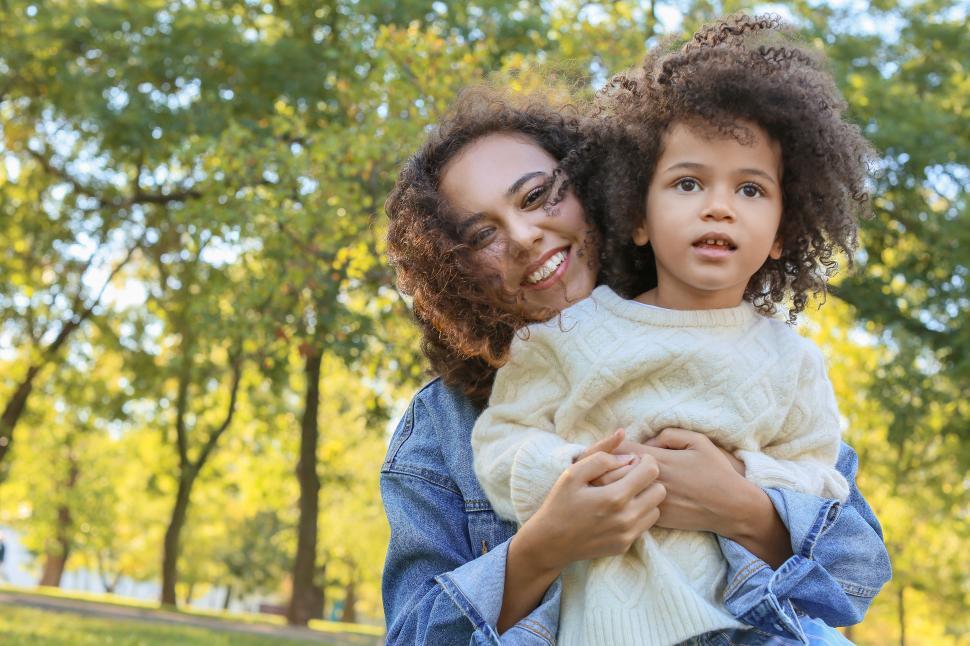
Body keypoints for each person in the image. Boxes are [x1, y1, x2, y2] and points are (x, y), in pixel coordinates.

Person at [381, 80, 890, 646]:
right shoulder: (441, 427)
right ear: (454, 271)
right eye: (482, 235)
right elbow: (414, 636)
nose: (524, 236)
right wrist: (543, 548)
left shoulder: (744, 351)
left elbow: (856, 573)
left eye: (535, 196)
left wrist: (744, 507)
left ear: (604, 190)